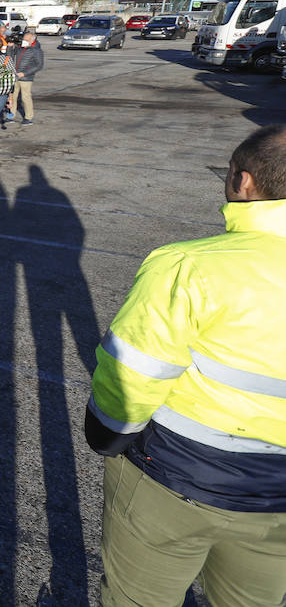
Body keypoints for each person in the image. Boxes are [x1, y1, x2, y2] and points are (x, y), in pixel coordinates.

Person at [85, 125, 286, 607]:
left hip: (180, 474)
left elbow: (133, 374)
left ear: (243, 183)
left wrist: (108, 436)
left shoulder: (187, 266)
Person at [12, 29, 44, 126]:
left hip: (26, 78)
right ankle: (11, 116)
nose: (23, 41)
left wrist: (25, 73)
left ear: (31, 40)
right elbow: (11, 56)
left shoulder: (37, 50)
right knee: (12, 97)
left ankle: (28, 117)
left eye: (26, 39)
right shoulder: (20, 48)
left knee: (26, 98)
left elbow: (39, 65)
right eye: (23, 39)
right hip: (15, 75)